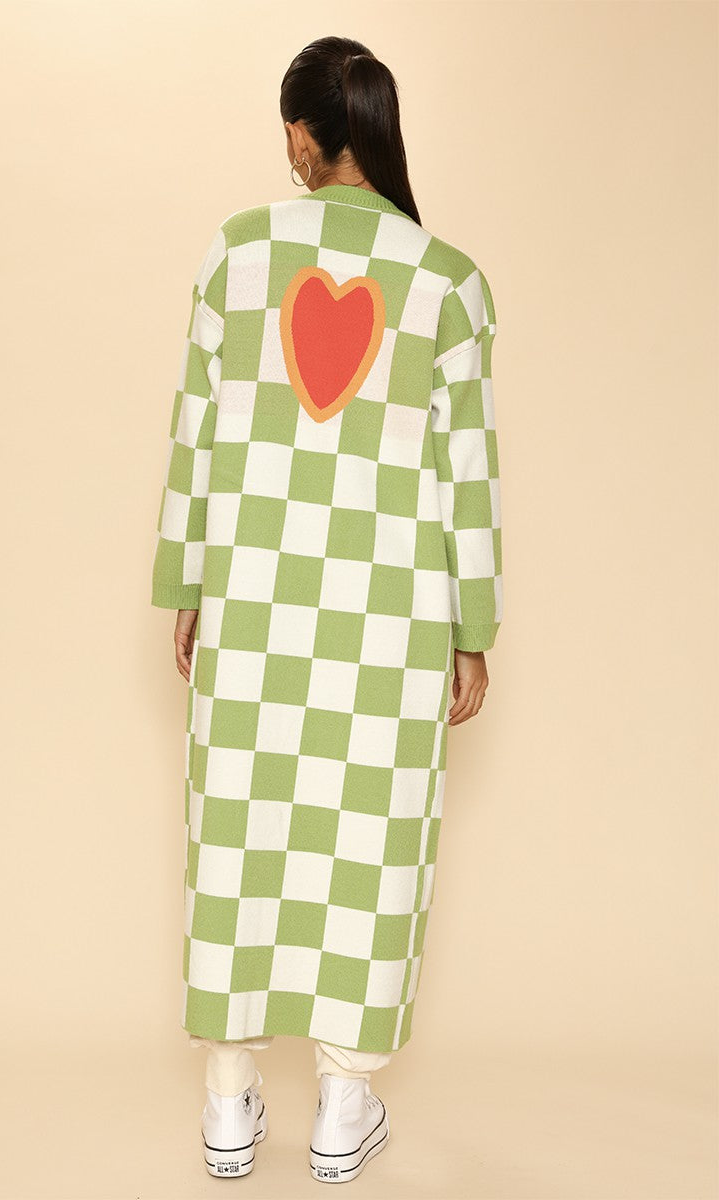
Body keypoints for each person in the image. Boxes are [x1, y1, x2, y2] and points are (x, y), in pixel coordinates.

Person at [150, 35, 503, 1184]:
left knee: (237, 836)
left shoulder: (237, 252)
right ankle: (343, 1107)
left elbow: (197, 436)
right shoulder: (447, 282)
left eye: (286, 134)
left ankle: (227, 1102)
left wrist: (188, 584)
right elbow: (465, 475)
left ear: (306, 134)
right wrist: (471, 629)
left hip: (255, 604)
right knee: (372, 842)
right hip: (388, 622)